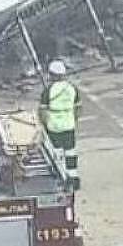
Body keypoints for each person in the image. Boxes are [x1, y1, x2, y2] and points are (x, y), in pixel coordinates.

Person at [40, 60, 80, 190]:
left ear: (52, 75)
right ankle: (73, 178)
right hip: (69, 123)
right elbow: (78, 108)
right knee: (71, 152)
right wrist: (73, 119)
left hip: (54, 125)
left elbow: (43, 111)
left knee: (56, 153)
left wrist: (44, 124)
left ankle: (61, 178)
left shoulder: (48, 90)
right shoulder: (72, 88)